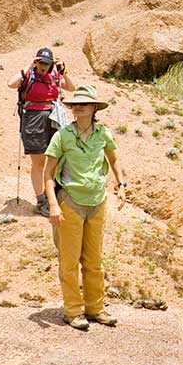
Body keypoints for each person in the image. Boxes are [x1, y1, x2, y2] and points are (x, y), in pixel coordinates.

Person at [43, 85, 126, 331]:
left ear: (93, 108)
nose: (77, 107)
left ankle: (96, 308)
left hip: (97, 202)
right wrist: (53, 205)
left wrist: (121, 185)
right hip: (70, 202)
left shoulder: (103, 133)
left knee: (94, 260)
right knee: (69, 261)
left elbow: (114, 158)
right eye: (74, 104)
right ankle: (73, 311)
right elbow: (47, 173)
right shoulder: (62, 135)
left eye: (84, 104)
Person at [7, 47, 75, 216]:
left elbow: (72, 87)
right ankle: (41, 201)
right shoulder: (29, 75)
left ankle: (54, 194)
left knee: (56, 159)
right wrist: (29, 66)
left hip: (54, 119)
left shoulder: (55, 75)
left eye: (47, 63)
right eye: (41, 62)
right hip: (33, 120)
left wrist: (64, 71)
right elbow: (11, 83)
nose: (44, 67)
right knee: (39, 162)